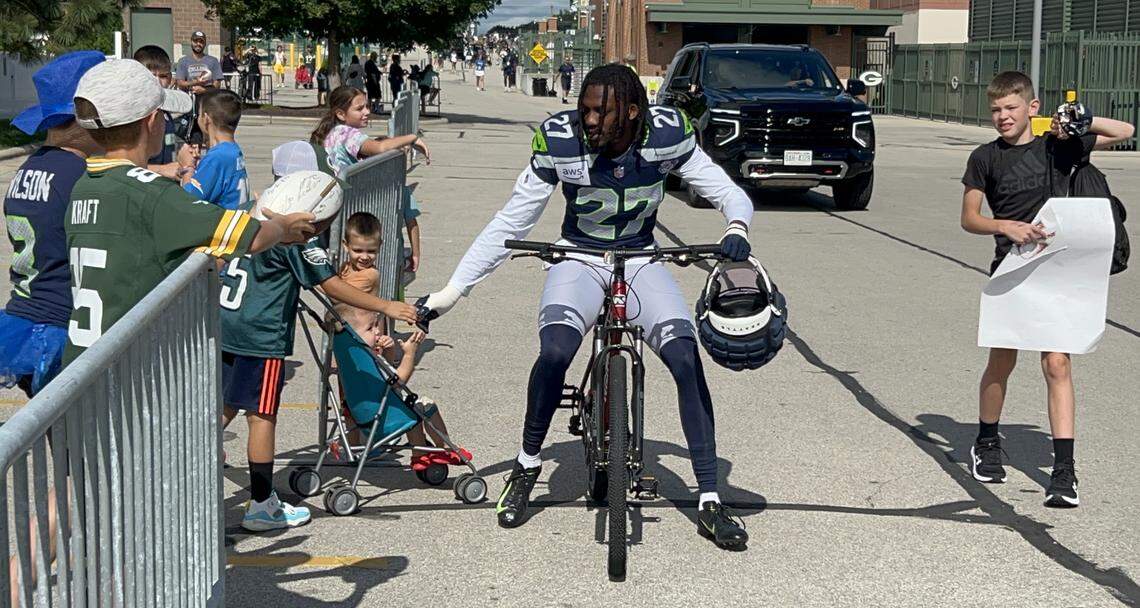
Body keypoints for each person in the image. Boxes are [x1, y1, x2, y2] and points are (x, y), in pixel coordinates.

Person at [420, 65, 753, 548]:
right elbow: (509, 222)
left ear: (633, 112)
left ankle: (708, 497)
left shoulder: (665, 134)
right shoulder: (561, 140)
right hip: (578, 255)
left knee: (685, 357)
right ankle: (527, 464)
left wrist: (737, 228)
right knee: (555, 352)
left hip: (640, 257)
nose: (590, 121)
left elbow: (728, 193)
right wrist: (453, 291)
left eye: (602, 111)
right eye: (585, 109)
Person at [63, 59, 316, 366]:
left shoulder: (84, 185)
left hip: (82, 364)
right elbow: (254, 237)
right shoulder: (153, 195)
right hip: (127, 369)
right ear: (152, 121)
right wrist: (283, 227)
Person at [218, 144, 418, 531]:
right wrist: (388, 306)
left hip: (227, 324)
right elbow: (330, 286)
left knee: (222, 408)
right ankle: (262, 503)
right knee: (262, 415)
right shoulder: (295, 237)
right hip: (261, 335)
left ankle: (180, 476)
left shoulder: (247, 213)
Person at [959, 71, 1134, 509]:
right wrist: (1003, 225)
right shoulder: (985, 157)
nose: (1003, 116)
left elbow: (1126, 131)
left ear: (1031, 109)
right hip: (1012, 269)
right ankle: (986, 441)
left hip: (1059, 272)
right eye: (996, 109)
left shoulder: (1059, 146)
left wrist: (1080, 121)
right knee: (1002, 360)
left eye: (1012, 108)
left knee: (1057, 364)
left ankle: (1064, 470)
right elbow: (969, 218)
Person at [1, 51, 105, 397]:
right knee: (79, 438)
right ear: (80, 121)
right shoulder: (80, 177)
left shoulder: (30, 168)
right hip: (60, 325)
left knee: (55, 432)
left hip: (25, 314)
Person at [330, 300, 470, 469]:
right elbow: (398, 380)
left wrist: (388, 351)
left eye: (376, 326)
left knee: (410, 406)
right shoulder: (368, 361)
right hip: (384, 419)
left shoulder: (351, 356)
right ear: (353, 335)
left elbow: (386, 375)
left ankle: (421, 456)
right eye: (370, 328)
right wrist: (410, 354)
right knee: (424, 405)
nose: (377, 331)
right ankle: (445, 447)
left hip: (363, 415)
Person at [311, 85, 430, 176]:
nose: (367, 112)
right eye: (359, 109)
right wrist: (412, 138)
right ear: (341, 114)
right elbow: (379, 148)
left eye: (367, 106)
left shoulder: (334, 131)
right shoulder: (345, 133)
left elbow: (370, 147)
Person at [133, 45, 197, 181]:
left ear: (170, 79)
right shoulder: (132, 117)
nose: (157, 82)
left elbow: (169, 140)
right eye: (151, 76)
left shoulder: (166, 112)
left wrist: (184, 149)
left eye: (163, 76)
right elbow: (121, 165)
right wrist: (161, 170)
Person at [183, 89, 249, 210]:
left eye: (199, 114)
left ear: (206, 118)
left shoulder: (217, 158)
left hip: (222, 226)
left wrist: (187, 166)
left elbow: (189, 199)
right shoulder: (232, 151)